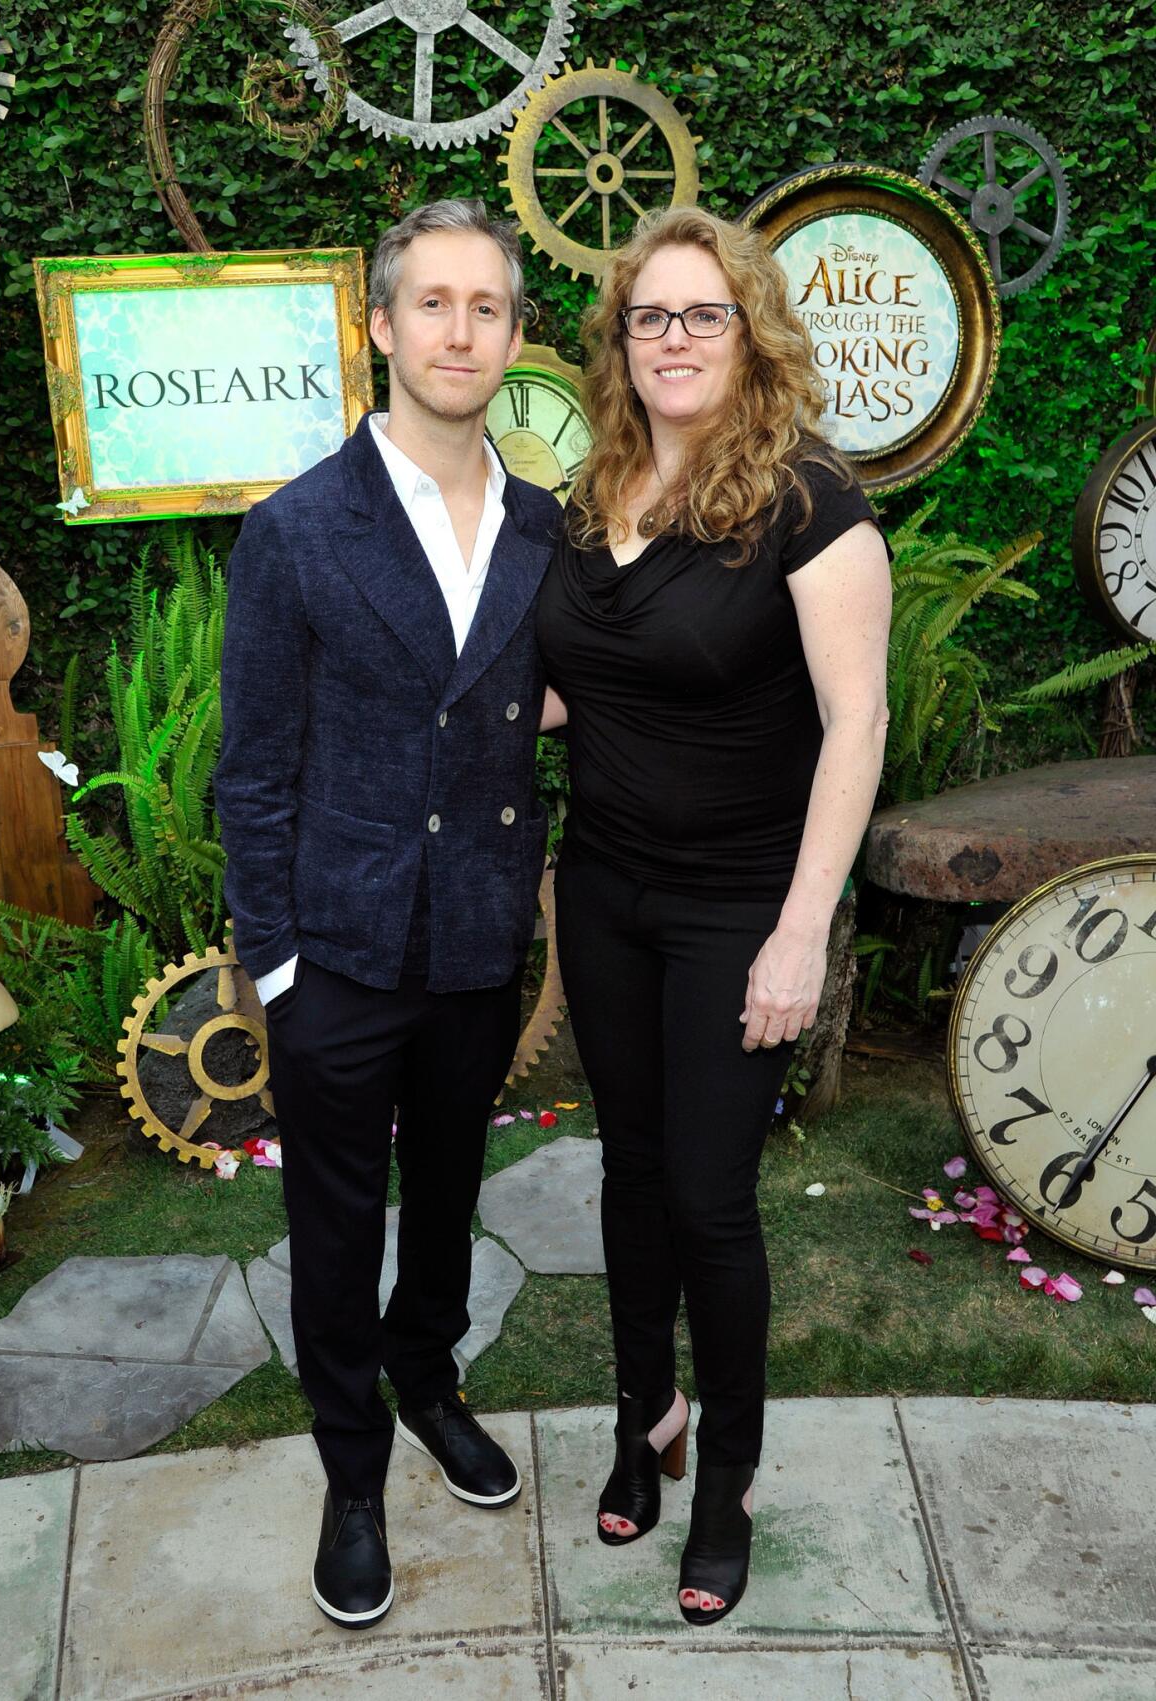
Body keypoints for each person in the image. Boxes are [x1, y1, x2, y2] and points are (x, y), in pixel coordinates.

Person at [536, 206, 891, 1624]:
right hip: (606, 889)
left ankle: (729, 1476)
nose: (674, 340)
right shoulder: (591, 487)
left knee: (708, 1198)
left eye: (702, 315)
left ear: (749, 334)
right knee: (627, 1173)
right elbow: (582, 681)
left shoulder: (809, 501)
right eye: (649, 317)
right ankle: (649, 1417)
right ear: (618, 343)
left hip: (742, 903)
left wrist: (803, 926)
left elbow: (856, 722)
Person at [215, 199, 561, 1631]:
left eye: (487, 306)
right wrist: (279, 965)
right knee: (337, 1217)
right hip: (342, 951)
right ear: (381, 325)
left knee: (452, 1197)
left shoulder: (549, 528)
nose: (460, 329)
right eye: (434, 303)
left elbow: (573, 702)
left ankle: (431, 1381)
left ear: (515, 336)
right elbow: (254, 774)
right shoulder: (297, 531)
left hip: (479, 937)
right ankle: (353, 1471)